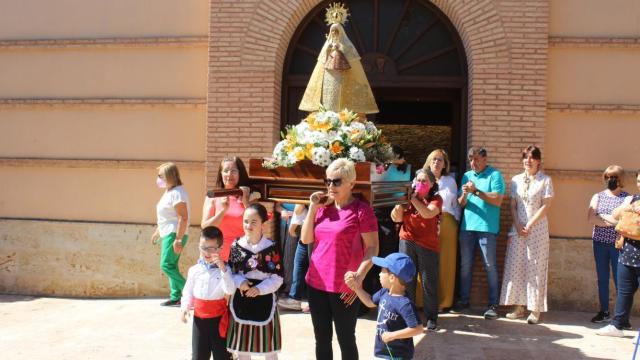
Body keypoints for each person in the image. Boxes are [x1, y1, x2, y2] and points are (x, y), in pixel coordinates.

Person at [301, 158, 379, 360]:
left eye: (336, 181)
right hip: (316, 283)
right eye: (327, 181)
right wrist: (312, 208)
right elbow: (306, 238)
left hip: (345, 286)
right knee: (322, 339)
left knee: (346, 338)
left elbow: (372, 247)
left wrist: (359, 275)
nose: (330, 186)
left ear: (351, 183)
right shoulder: (323, 208)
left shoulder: (361, 210)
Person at [500, 146, 554, 324]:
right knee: (517, 266)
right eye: (525, 157)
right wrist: (517, 224)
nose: (528, 161)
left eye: (531, 158)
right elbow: (513, 205)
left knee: (535, 268)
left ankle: (535, 309)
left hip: (536, 230)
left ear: (538, 160)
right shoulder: (516, 180)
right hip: (518, 229)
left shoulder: (545, 181)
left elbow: (546, 206)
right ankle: (519, 307)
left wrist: (529, 225)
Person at [452, 147, 506, 319]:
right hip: (467, 228)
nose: (473, 163)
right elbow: (461, 203)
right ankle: (464, 300)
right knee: (465, 266)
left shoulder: (495, 175)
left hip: (487, 229)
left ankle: (493, 305)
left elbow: (497, 200)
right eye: (470, 160)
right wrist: (466, 194)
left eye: (476, 159)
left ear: (485, 159)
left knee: (490, 266)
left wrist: (476, 191)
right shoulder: (467, 175)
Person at [226, 203, 283, 359]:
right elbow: (231, 271)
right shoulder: (237, 246)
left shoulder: (271, 247)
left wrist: (260, 289)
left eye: (253, 222)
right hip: (242, 296)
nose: (248, 225)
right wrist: (240, 283)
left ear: (263, 224)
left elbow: (277, 277)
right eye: (245, 221)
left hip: (265, 297)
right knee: (242, 346)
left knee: (268, 348)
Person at [298, 4, 378, 114]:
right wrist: (329, 49)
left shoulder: (347, 45)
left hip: (341, 74)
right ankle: (328, 112)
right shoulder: (328, 44)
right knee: (328, 95)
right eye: (332, 31)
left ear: (341, 32)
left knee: (340, 94)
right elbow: (323, 60)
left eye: (336, 31)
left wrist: (339, 49)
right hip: (329, 73)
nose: (334, 33)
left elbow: (352, 62)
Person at [391, 168, 442, 331]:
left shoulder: (436, 198)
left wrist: (412, 199)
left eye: (424, 181)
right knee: (407, 281)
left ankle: (431, 318)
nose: (420, 184)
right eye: (418, 180)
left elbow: (428, 214)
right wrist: (401, 202)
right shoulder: (408, 196)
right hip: (407, 240)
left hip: (428, 245)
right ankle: (409, 316)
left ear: (432, 184)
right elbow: (397, 218)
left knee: (429, 282)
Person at [346, 252, 423, 360]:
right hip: (381, 352)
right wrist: (356, 287)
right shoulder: (384, 292)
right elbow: (369, 301)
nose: (379, 274)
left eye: (382, 271)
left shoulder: (405, 304)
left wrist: (393, 335)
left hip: (398, 356)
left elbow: (418, 329)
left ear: (392, 278)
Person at [596, 171, 640, 337]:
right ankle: (617, 325)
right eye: (639, 181)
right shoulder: (632, 199)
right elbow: (615, 214)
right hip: (627, 254)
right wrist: (627, 208)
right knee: (624, 292)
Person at [181, 226, 235, 360]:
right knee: (198, 355)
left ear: (220, 249)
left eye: (212, 248)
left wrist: (223, 270)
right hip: (199, 320)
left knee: (222, 355)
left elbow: (230, 290)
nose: (207, 252)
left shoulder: (225, 270)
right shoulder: (194, 270)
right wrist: (185, 307)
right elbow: (188, 291)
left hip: (219, 320)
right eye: (203, 247)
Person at [587, 165, 629, 323]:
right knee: (602, 278)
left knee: (620, 280)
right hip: (599, 243)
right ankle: (604, 311)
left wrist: (603, 218)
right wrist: (612, 222)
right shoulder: (597, 196)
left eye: (614, 177)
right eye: (607, 177)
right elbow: (591, 218)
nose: (610, 180)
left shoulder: (627, 198)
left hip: (618, 245)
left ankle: (621, 316)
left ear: (621, 179)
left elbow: (624, 221)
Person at [424, 149, 461, 311]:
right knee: (425, 262)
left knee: (445, 263)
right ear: (428, 162)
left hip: (447, 222)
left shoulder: (450, 181)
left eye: (440, 160)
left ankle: (443, 302)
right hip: (426, 221)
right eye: (434, 159)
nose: (437, 163)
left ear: (445, 164)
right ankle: (422, 300)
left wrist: (456, 224)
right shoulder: (421, 178)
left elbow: (456, 205)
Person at [151, 162, 191, 307]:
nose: (158, 178)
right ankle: (176, 297)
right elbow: (166, 216)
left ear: (169, 176)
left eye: (161, 176)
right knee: (172, 265)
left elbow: (183, 217)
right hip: (168, 232)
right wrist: (157, 231)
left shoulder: (177, 193)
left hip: (174, 233)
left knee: (166, 265)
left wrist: (178, 239)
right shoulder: (169, 191)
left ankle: (190, 292)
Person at [201, 157, 252, 261]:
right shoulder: (212, 197)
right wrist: (222, 211)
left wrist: (246, 202)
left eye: (234, 171)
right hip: (215, 257)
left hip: (241, 256)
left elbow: (256, 224)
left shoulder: (250, 196)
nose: (229, 174)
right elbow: (205, 227)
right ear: (221, 174)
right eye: (226, 171)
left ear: (240, 173)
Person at [278, 204, 311, 313]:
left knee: (303, 261)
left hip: (307, 226)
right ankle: (295, 295)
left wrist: (294, 221)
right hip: (300, 226)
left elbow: (299, 208)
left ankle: (302, 297)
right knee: (297, 260)